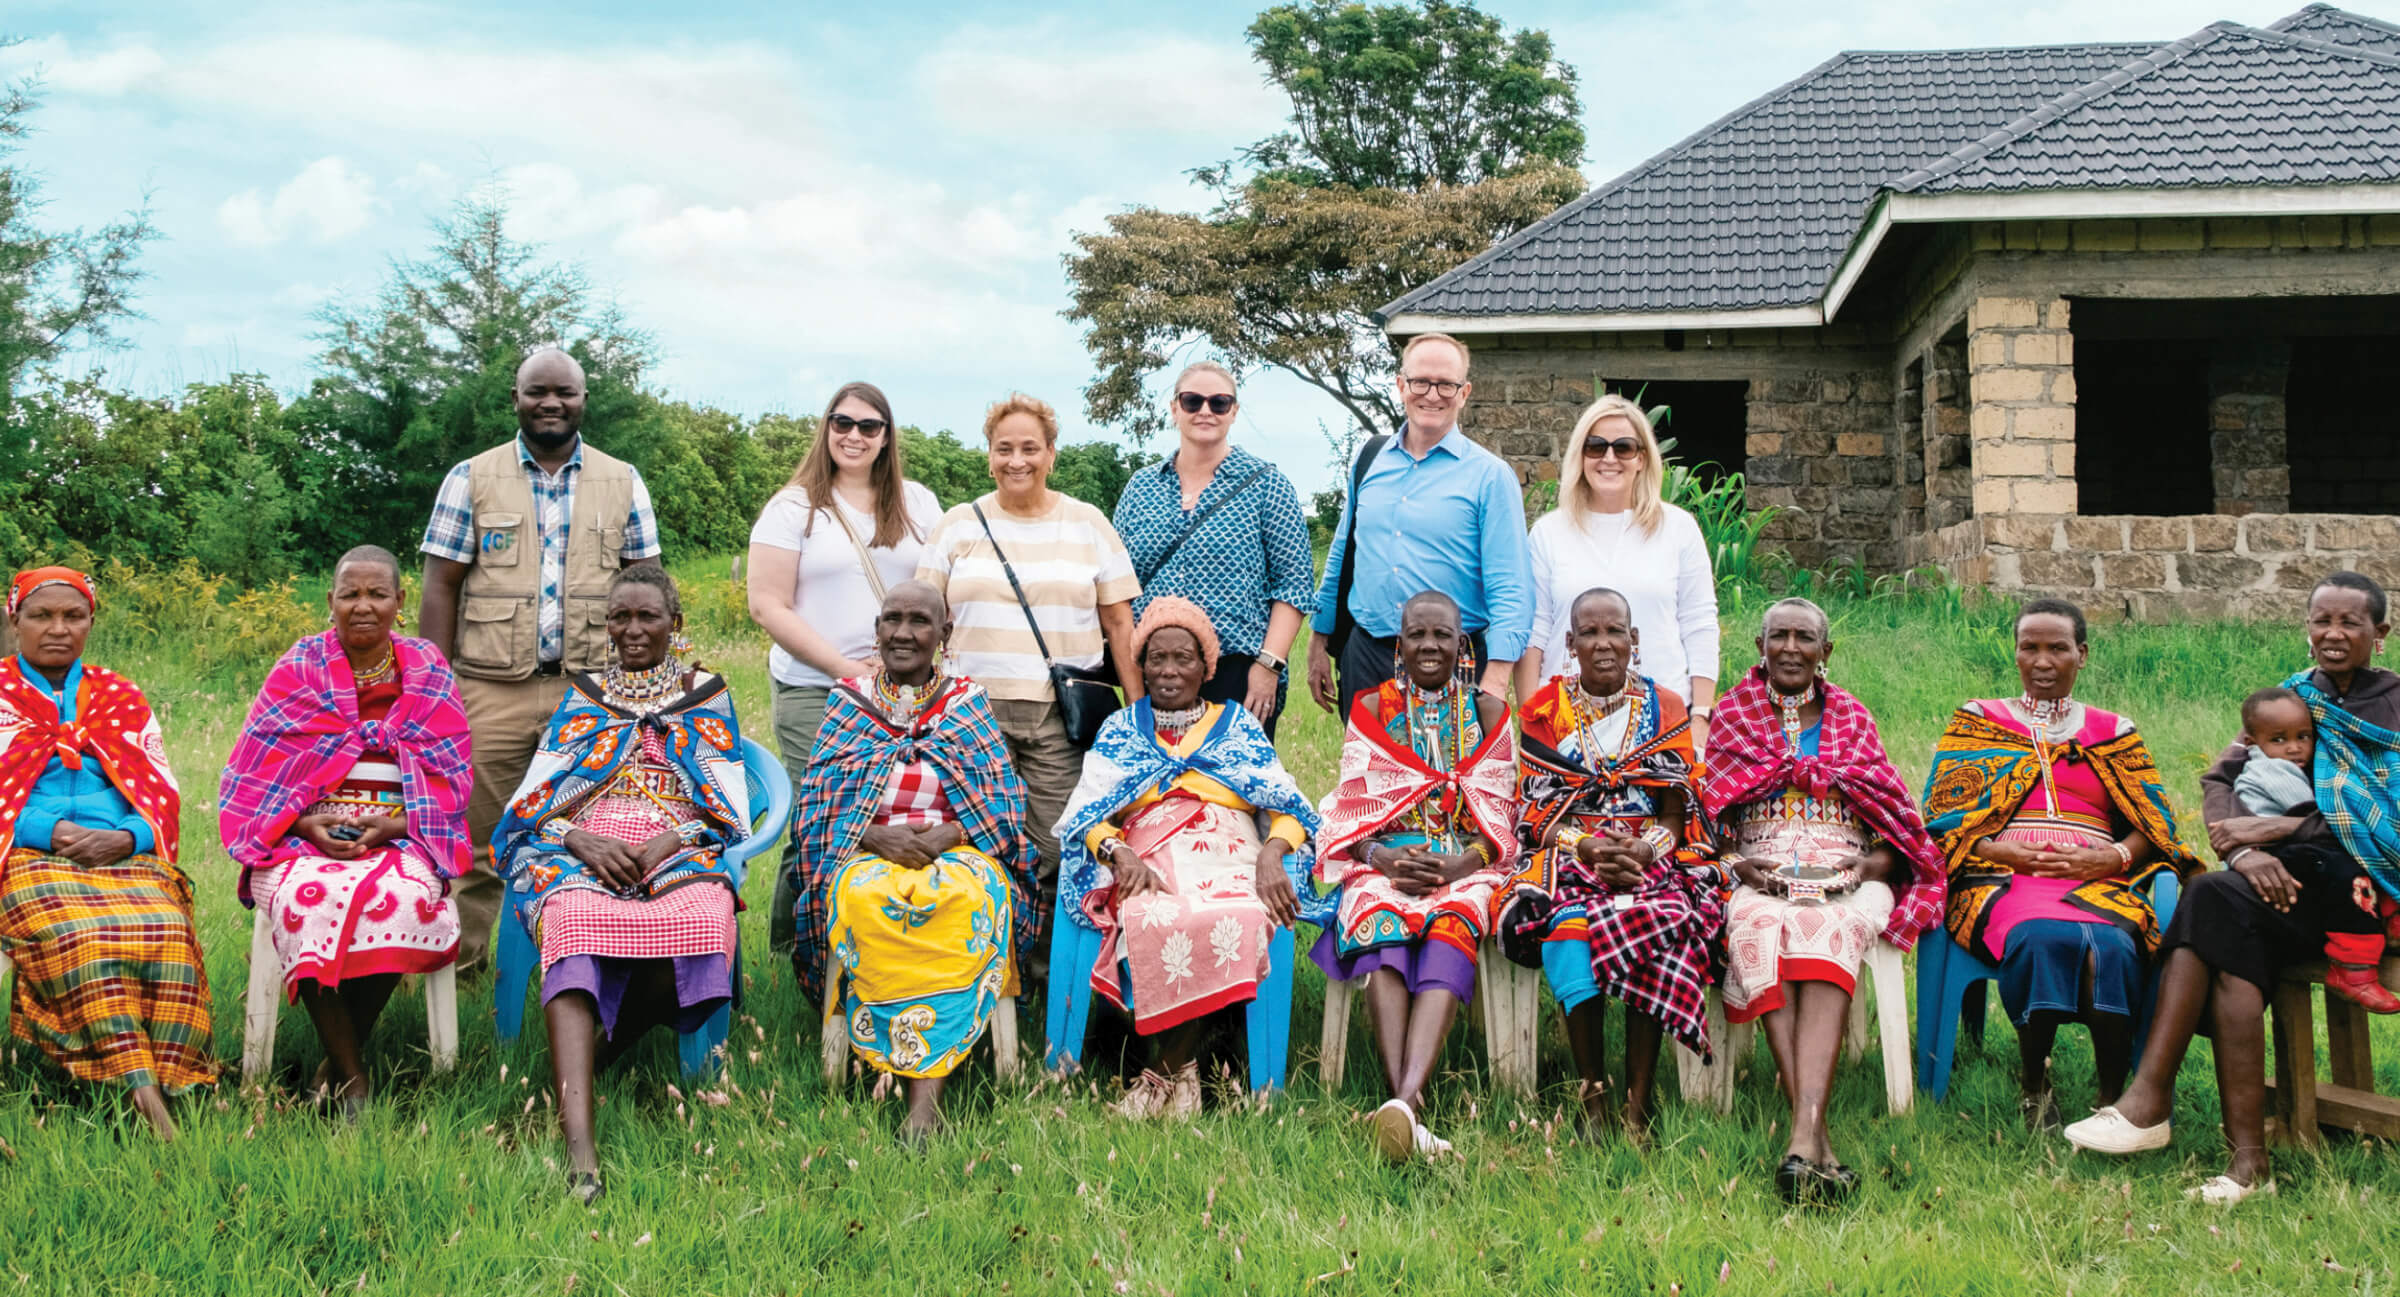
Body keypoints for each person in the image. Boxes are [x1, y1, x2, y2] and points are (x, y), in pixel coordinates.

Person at [2069, 571, 2400, 1203]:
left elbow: (2390, 818)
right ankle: (2233, 1156)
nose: (2332, 634)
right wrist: (2245, 850)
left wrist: (2286, 826)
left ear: (2379, 633)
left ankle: (2164, 1111)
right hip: (2287, 886)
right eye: (2320, 621)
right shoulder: (2294, 697)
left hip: (2366, 894)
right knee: (2215, 902)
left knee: (2210, 910)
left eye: (2349, 623)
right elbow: (2222, 779)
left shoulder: (2397, 706)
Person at [492, 568, 753, 1203]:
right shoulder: (585, 696)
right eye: (619, 618)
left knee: (700, 921)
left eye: (648, 618)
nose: (632, 630)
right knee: (574, 917)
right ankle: (580, 1147)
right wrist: (580, 840)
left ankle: (586, 1068)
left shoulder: (707, 694)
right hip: (582, 840)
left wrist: (669, 842)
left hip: (677, 841)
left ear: (676, 624)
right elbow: (540, 795)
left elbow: (729, 807)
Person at [419, 346, 663, 971]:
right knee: (477, 844)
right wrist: (434, 687)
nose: (551, 403)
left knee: (597, 831)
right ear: (516, 399)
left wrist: (647, 693)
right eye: (537, 392)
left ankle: (585, 969)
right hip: (487, 691)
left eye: (565, 393)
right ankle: (467, 977)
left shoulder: (621, 478)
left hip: (589, 694)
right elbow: (440, 585)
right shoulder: (470, 477)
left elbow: (647, 588)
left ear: (584, 400)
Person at [1920, 597, 2200, 1132]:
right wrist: (1997, 850)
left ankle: (2114, 1094)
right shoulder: (1980, 721)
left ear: (2082, 654)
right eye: (2030, 648)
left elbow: (2154, 823)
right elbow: (1941, 818)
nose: (2043, 661)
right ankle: (2034, 1084)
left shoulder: (2114, 731)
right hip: (2001, 878)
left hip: (2101, 879)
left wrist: (2112, 856)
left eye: (2058, 648)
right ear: (2016, 653)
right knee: (2040, 936)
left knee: (2113, 948)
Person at [1700, 597, 1946, 1202]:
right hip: (1759, 875)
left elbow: (1897, 832)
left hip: (1848, 873)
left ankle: (1803, 1136)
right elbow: (1710, 824)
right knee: (1759, 925)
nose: (1789, 648)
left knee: (1833, 928)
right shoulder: (1733, 715)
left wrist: (1866, 866)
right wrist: (1740, 866)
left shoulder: (1854, 719)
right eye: (1777, 636)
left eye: (1803, 638)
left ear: (1825, 652)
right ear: (1759, 648)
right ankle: (1813, 1139)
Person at [220, 545, 475, 1113]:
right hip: (300, 835)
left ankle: (332, 1064)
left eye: (377, 594)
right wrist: (307, 822)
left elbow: (450, 781)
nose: (364, 606)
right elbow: (257, 768)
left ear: (399, 602)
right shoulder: (299, 667)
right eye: (350, 594)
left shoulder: (428, 669)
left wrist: (393, 826)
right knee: (306, 900)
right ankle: (355, 1079)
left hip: (404, 834)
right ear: (330, 600)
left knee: (409, 899)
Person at [1053, 596, 1327, 1117]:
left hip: (1230, 847)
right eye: (1157, 658)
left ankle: (1161, 1077)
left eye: (1184, 658)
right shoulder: (1121, 729)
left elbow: (1289, 805)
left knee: (1242, 913)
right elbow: (1086, 814)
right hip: (1148, 849)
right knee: (1146, 914)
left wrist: (1274, 853)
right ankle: (1183, 1077)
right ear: (1141, 665)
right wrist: (1116, 852)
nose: (1170, 671)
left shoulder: (1238, 727)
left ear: (1207, 667)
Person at [790, 581, 1036, 1144]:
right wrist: (877, 838)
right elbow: (820, 808)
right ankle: (905, 1074)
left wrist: (948, 835)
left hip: (958, 853)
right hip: (867, 853)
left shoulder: (967, 701)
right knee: (871, 901)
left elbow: (1001, 803)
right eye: (891, 619)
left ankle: (924, 1104)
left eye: (920, 621)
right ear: (876, 630)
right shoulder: (848, 701)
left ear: (944, 633)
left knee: (959, 901)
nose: (903, 632)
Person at [0, 567, 210, 1138]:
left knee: (166, 931)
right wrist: (53, 833)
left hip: (121, 851)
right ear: (14, 619)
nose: (58, 628)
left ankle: (170, 1077)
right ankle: (140, 1091)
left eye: (74, 616)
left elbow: (159, 791)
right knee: (83, 937)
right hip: (28, 853)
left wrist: (129, 837)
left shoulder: (119, 695)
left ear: (91, 622)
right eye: (42, 615)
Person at [1505, 588, 1719, 1147]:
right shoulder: (1544, 711)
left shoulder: (1666, 707)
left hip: (1649, 854)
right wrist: (1588, 847)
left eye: (1615, 632)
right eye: (1590, 633)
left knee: (1666, 919)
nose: (1604, 644)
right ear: (1570, 643)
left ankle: (1638, 1103)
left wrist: (1646, 850)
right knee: (1566, 924)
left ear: (1635, 640)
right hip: (1571, 855)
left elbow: (1677, 811)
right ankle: (1593, 1096)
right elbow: (1534, 813)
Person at [1314, 591, 1518, 1162]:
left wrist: (1461, 863)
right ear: (1398, 645)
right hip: (1385, 860)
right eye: (1417, 635)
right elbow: (1352, 801)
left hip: (1463, 860)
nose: (1429, 645)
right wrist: (1381, 859)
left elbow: (1503, 810)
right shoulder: (1372, 707)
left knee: (1453, 919)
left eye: (1442, 635)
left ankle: (1404, 1102)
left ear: (1463, 644)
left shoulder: (1488, 713)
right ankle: (1409, 1109)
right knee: (1383, 924)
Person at [915, 392, 1139, 910]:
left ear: (1052, 454)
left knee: (1056, 842)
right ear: (989, 454)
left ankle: (1039, 971)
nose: (1017, 461)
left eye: (1030, 448)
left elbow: (1119, 622)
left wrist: (1138, 711)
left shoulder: (1088, 524)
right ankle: (984, 960)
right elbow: (925, 620)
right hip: (970, 714)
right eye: (1004, 448)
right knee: (973, 835)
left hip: (1060, 716)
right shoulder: (957, 525)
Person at [746, 381, 942, 956]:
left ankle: (885, 944)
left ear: (886, 437)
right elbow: (767, 604)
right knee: (821, 814)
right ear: (826, 428)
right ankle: (801, 949)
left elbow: (937, 587)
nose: (854, 435)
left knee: (888, 808)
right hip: (817, 688)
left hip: (905, 692)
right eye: (842, 423)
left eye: (868, 426)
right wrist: (844, 668)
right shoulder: (792, 508)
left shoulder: (919, 503)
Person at [1307, 334, 1532, 720]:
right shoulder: (1369, 460)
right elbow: (1343, 553)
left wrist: (1496, 677)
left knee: (1448, 780)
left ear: (1464, 393)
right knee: (1369, 779)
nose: (1433, 394)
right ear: (1400, 386)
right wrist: (1319, 637)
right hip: (1368, 657)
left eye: (1447, 384)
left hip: (1453, 665)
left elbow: (1512, 587)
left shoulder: (1490, 477)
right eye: (1420, 382)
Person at [1110, 363, 1316, 738]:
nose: (1205, 411)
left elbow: (1293, 585)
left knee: (1232, 791)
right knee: (1159, 790)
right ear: (1175, 409)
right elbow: (1116, 587)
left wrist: (1268, 667)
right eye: (1193, 401)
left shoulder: (1268, 486)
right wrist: (1132, 683)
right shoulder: (1141, 488)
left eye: (1219, 403)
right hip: (1156, 671)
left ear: (1233, 412)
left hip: (1236, 668)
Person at [1516, 397, 1720, 744]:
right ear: (1580, 456)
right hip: (1567, 720)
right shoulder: (1549, 532)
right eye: (1595, 447)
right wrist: (1532, 722)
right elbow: (1535, 632)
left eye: (1623, 448)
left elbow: (1699, 624)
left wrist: (1700, 716)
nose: (1609, 459)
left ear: (1642, 458)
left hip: (1662, 719)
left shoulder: (1678, 528)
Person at [2217, 685, 2396, 1011]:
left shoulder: (2287, 764)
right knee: (2344, 863)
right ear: (2251, 743)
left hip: (2289, 851)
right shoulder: (2273, 770)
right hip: (2271, 864)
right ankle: (2353, 967)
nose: (2295, 749)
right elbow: (2323, 819)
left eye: (2303, 737)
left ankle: (2388, 920)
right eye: (2279, 740)